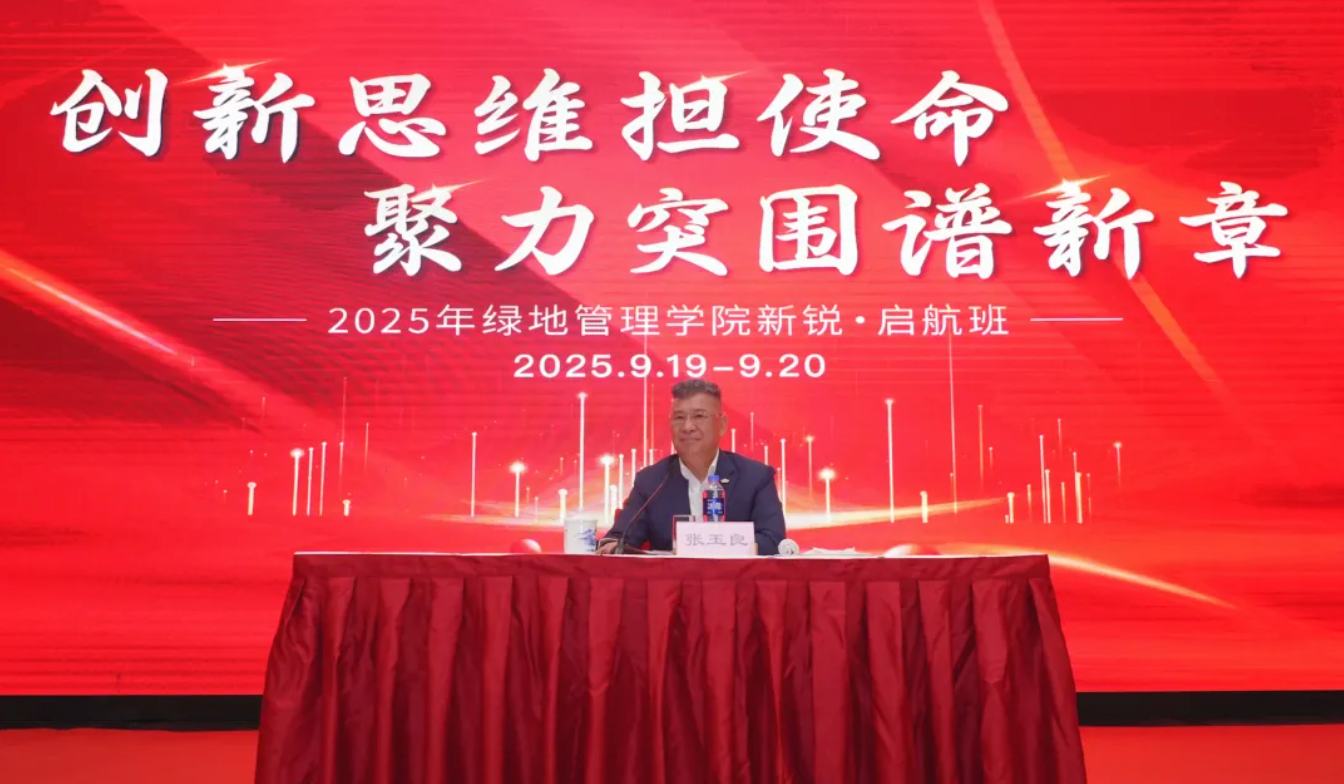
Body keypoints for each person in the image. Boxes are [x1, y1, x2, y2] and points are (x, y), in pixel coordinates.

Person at [597, 379, 786, 555]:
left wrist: (706, 546)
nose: (687, 427)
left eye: (699, 416)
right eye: (679, 417)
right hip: (672, 580)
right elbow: (619, 539)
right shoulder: (651, 481)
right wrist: (612, 545)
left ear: (722, 425)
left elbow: (773, 540)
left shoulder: (755, 477)